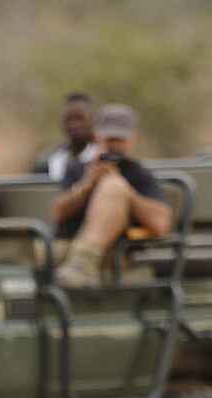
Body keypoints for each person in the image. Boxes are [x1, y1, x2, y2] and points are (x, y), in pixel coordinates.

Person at [48, 103, 173, 289]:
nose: (114, 145)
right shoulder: (77, 169)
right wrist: (87, 185)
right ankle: (78, 263)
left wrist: (126, 193)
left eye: (119, 139)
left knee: (114, 187)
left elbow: (161, 224)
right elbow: (58, 213)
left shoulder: (138, 173)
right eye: (109, 138)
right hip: (65, 246)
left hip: (114, 253)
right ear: (97, 136)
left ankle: (83, 262)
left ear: (132, 139)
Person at [36, 91, 99, 184]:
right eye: (68, 119)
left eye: (79, 118)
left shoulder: (101, 157)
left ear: (92, 119)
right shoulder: (51, 159)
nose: (74, 125)